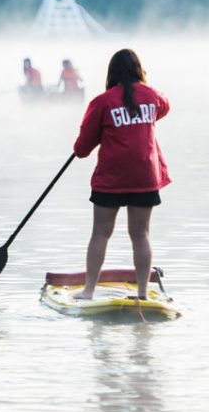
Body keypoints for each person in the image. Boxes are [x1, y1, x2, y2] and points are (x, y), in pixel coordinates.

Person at [72, 49, 170, 300]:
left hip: (111, 179)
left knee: (100, 233)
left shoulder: (103, 102)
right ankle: (142, 294)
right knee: (141, 235)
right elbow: (163, 107)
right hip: (144, 177)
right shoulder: (152, 97)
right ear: (139, 71)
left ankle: (89, 291)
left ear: (112, 73)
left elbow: (82, 149)